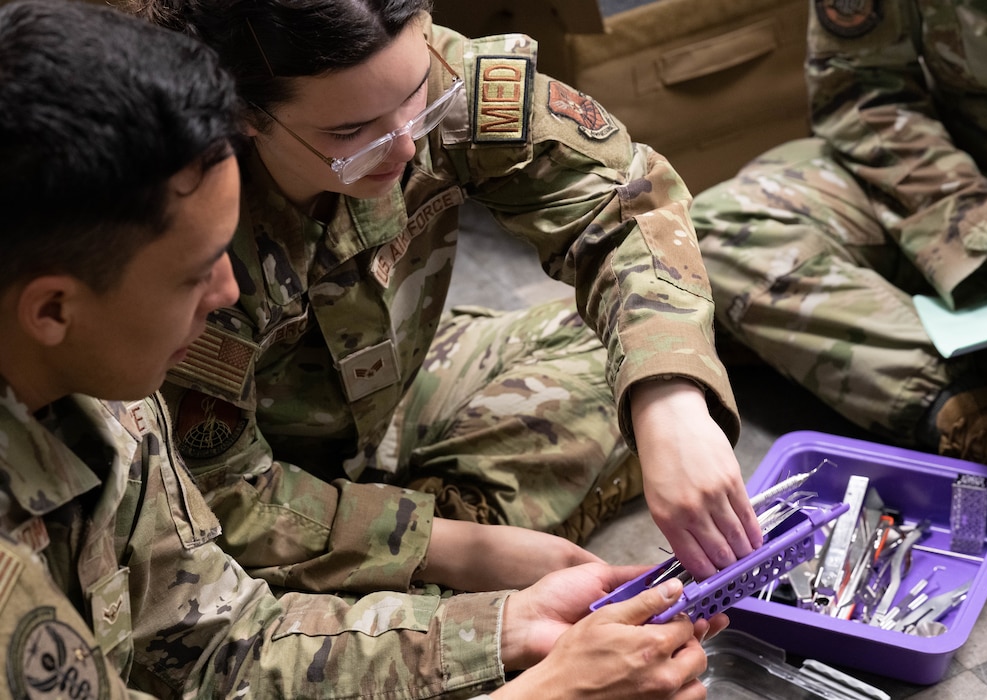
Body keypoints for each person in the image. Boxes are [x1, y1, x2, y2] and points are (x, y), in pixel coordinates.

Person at [0, 1, 726, 698]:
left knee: (628, 355)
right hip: (253, 483)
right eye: (195, 274)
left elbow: (222, 644)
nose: (225, 291)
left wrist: (500, 625)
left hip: (380, 415)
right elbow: (223, 539)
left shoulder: (109, 402)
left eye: (420, 103)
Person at [128, 0, 762, 585]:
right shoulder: (179, 231)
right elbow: (218, 494)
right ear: (243, 113)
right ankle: (422, 566)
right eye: (351, 134)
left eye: (416, 99)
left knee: (641, 349)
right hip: (259, 480)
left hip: (393, 397)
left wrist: (668, 401)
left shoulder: (436, 73)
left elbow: (620, 204)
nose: (406, 144)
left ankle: (415, 555)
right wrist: (447, 547)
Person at [689, 1, 987, 534]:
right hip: (939, 182)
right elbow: (861, 89)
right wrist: (983, 227)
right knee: (724, 227)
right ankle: (982, 421)